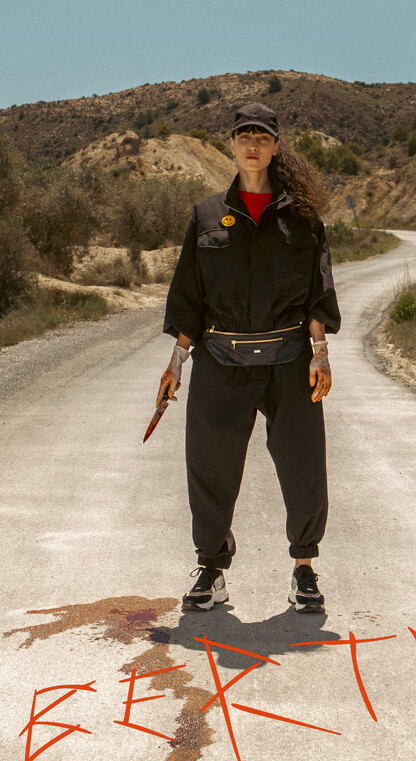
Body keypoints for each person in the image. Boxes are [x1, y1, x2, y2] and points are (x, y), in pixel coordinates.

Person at [157, 102, 341, 613]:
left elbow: (318, 292)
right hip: (221, 359)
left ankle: (304, 569)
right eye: (244, 136)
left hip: (288, 361)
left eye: (262, 136)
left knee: (304, 465)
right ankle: (211, 570)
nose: (253, 144)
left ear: (276, 146)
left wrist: (320, 353)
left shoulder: (303, 218)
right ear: (232, 145)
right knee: (210, 465)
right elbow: (189, 295)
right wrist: (176, 361)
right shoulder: (207, 215)